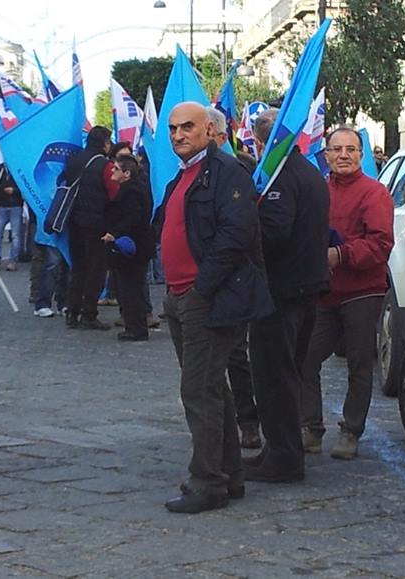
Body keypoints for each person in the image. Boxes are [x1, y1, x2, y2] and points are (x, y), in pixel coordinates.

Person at [155, 102, 273, 514]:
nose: (178, 135)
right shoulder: (184, 175)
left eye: (187, 127)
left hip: (205, 297)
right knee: (211, 387)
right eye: (172, 129)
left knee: (198, 390)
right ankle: (229, 474)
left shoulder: (226, 172)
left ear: (210, 130)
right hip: (182, 295)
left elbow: (236, 234)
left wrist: (201, 289)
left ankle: (207, 482)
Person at [242, 109, 330, 483]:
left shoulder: (284, 176)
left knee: (273, 377)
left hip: (282, 291)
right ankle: (278, 449)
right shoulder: (308, 171)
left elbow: (275, 230)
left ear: (262, 142)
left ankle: (284, 457)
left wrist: (244, 230)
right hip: (303, 288)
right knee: (284, 374)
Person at [299, 127, 393, 460]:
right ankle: (311, 428)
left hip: (362, 292)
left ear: (361, 154)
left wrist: (341, 255)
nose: (343, 155)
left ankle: (351, 431)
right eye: (336, 149)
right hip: (324, 293)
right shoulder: (319, 191)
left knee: (358, 365)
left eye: (350, 149)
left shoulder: (374, 193)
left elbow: (380, 244)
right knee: (305, 359)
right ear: (325, 155)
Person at [205, 106, 260, 449]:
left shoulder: (239, 169)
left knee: (236, 354)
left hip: (232, 275)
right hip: (200, 278)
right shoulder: (187, 172)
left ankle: (248, 420)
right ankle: (218, 424)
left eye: (207, 132)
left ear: (222, 136)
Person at [62, 126, 116, 330]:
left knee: (78, 269)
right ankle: (89, 313)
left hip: (74, 221)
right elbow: (113, 194)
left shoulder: (74, 160)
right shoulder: (105, 165)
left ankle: (72, 312)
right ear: (104, 143)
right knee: (96, 270)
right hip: (97, 224)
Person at [102, 154, 154, 341]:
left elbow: (133, 217)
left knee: (131, 288)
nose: (112, 172)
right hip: (133, 246)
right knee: (129, 287)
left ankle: (137, 327)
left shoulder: (132, 191)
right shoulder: (130, 189)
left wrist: (115, 233)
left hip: (133, 247)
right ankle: (134, 325)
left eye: (116, 169)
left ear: (127, 173)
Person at [0, 163, 22, 271]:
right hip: (2, 205)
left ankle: (13, 260)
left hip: (16, 205)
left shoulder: (19, 168)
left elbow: (24, 187)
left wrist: (14, 191)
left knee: (15, 235)